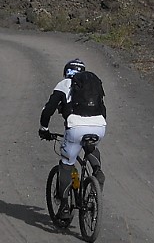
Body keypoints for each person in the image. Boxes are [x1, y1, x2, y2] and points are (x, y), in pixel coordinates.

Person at [39, 58, 107, 217]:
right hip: (99, 126)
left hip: (76, 127)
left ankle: (63, 207)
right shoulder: (91, 86)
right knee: (89, 146)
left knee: (66, 164)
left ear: (66, 72)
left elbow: (48, 110)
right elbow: (102, 108)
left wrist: (44, 129)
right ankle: (97, 171)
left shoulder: (64, 84)